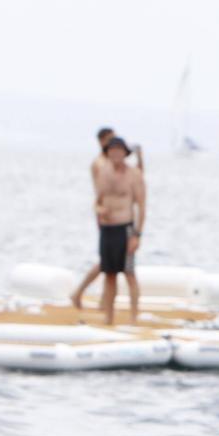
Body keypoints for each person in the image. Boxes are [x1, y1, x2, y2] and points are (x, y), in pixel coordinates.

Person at [92, 136, 145, 326]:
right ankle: (109, 317)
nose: (115, 153)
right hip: (108, 228)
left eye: (119, 150)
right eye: (111, 150)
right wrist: (100, 211)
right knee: (109, 274)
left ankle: (134, 316)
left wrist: (137, 235)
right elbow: (97, 202)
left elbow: (141, 206)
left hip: (126, 228)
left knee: (129, 274)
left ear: (125, 153)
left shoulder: (134, 175)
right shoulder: (103, 172)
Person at [70, 126, 125, 309]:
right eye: (110, 139)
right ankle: (80, 292)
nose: (114, 143)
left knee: (111, 263)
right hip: (106, 214)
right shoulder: (100, 163)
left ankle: (103, 300)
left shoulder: (111, 162)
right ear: (102, 142)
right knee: (106, 261)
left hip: (117, 216)